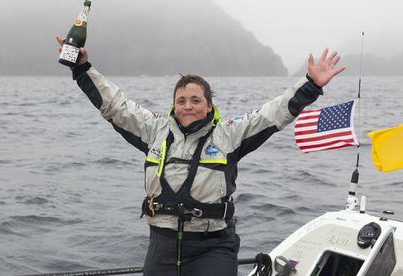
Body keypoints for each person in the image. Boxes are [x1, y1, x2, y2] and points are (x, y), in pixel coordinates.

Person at [56, 35, 345, 276]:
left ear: (209, 106)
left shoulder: (230, 134)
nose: (188, 106)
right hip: (161, 246)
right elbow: (114, 105)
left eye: (196, 100)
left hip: (213, 247)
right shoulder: (153, 129)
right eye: (181, 100)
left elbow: (274, 113)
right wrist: (82, 69)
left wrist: (311, 84)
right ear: (173, 106)